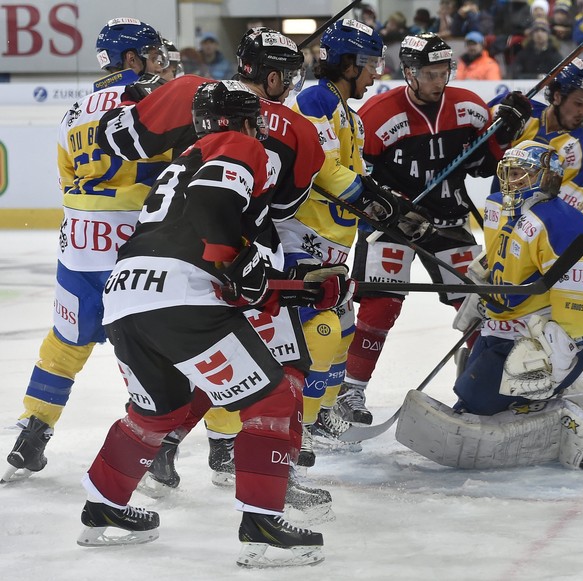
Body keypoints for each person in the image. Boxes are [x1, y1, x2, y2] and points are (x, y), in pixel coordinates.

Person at [77, 80, 345, 567]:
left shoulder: (185, 159)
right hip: (180, 297)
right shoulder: (237, 145)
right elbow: (211, 213)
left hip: (126, 298)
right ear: (244, 122)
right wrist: (237, 262)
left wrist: (298, 282)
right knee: (275, 395)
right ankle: (261, 523)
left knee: (157, 411)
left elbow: (224, 248)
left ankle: (103, 508)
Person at [118, 28, 336, 521]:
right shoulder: (299, 131)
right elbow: (283, 205)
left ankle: (157, 454)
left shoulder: (189, 92)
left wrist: (136, 93)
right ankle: (271, 478)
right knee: (284, 369)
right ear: (276, 76)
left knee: (210, 366)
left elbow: (122, 141)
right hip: (250, 261)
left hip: (175, 257)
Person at [2, 17, 173, 484]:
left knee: (65, 341)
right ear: (132, 59)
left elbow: (65, 179)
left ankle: (32, 432)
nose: (161, 63)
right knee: (148, 348)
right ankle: (156, 446)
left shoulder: (74, 110)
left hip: (78, 246)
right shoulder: (153, 101)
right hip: (136, 248)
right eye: (154, 55)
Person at [339, 33, 531, 425]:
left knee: (479, 307)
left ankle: (487, 385)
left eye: (444, 72)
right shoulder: (377, 115)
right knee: (382, 305)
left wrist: (505, 133)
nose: (438, 81)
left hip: (447, 223)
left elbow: (482, 166)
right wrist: (389, 207)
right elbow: (359, 174)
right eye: (428, 73)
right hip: (393, 227)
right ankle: (350, 390)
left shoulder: (470, 108)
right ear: (408, 73)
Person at [394, 141, 583, 470]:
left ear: (547, 178)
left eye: (522, 174)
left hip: (537, 330)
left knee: (481, 400)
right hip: (503, 322)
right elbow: (496, 256)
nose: (512, 180)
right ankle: (536, 402)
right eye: (508, 172)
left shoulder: (561, 221)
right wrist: (479, 290)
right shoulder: (499, 206)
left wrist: (566, 344)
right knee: (469, 394)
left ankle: (566, 409)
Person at [285, 19, 410, 447]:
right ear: (347, 63)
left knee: (342, 333)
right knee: (319, 335)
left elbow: (353, 170)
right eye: (370, 63)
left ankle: (320, 414)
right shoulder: (316, 99)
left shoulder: (348, 114)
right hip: (303, 237)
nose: (377, 72)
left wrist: (381, 196)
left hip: (334, 240)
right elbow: (322, 166)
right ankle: (297, 426)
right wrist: (368, 194)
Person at [490, 58, 583, 213]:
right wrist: (498, 135)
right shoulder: (518, 112)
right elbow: (472, 151)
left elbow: (564, 213)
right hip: (498, 216)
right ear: (557, 96)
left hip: (540, 229)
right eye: (578, 104)